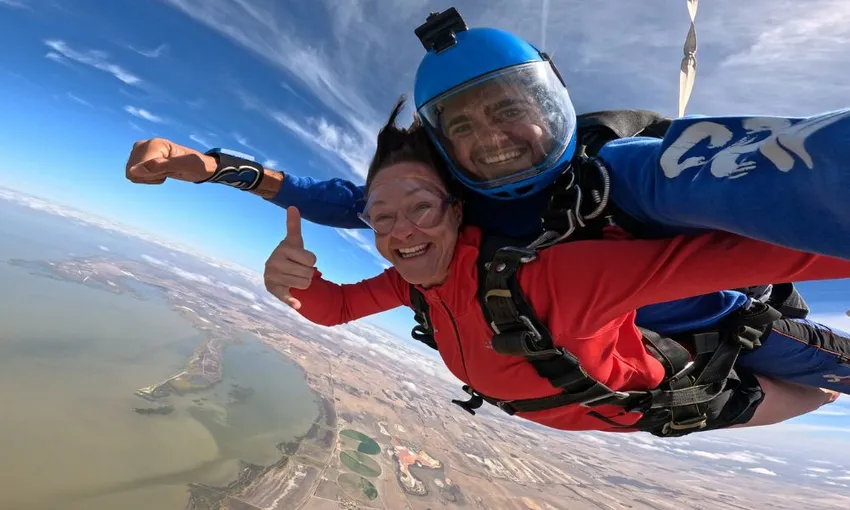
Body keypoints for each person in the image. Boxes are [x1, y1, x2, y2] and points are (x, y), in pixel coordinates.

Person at [123, 8, 850, 391]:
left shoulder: (625, 174)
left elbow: (803, 171)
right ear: (443, 147)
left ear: (554, 100)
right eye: (462, 125)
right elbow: (334, 198)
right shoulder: (452, 210)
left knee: (828, 377)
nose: (492, 138)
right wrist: (209, 166)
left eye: (511, 107)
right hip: (642, 357)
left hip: (724, 331)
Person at [264, 105, 844, 437]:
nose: (400, 232)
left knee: (831, 382)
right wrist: (292, 280)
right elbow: (333, 308)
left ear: (457, 211)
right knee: (823, 394)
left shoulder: (558, 278)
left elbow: (775, 251)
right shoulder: (413, 282)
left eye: (420, 208)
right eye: (380, 216)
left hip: (697, 386)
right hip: (660, 406)